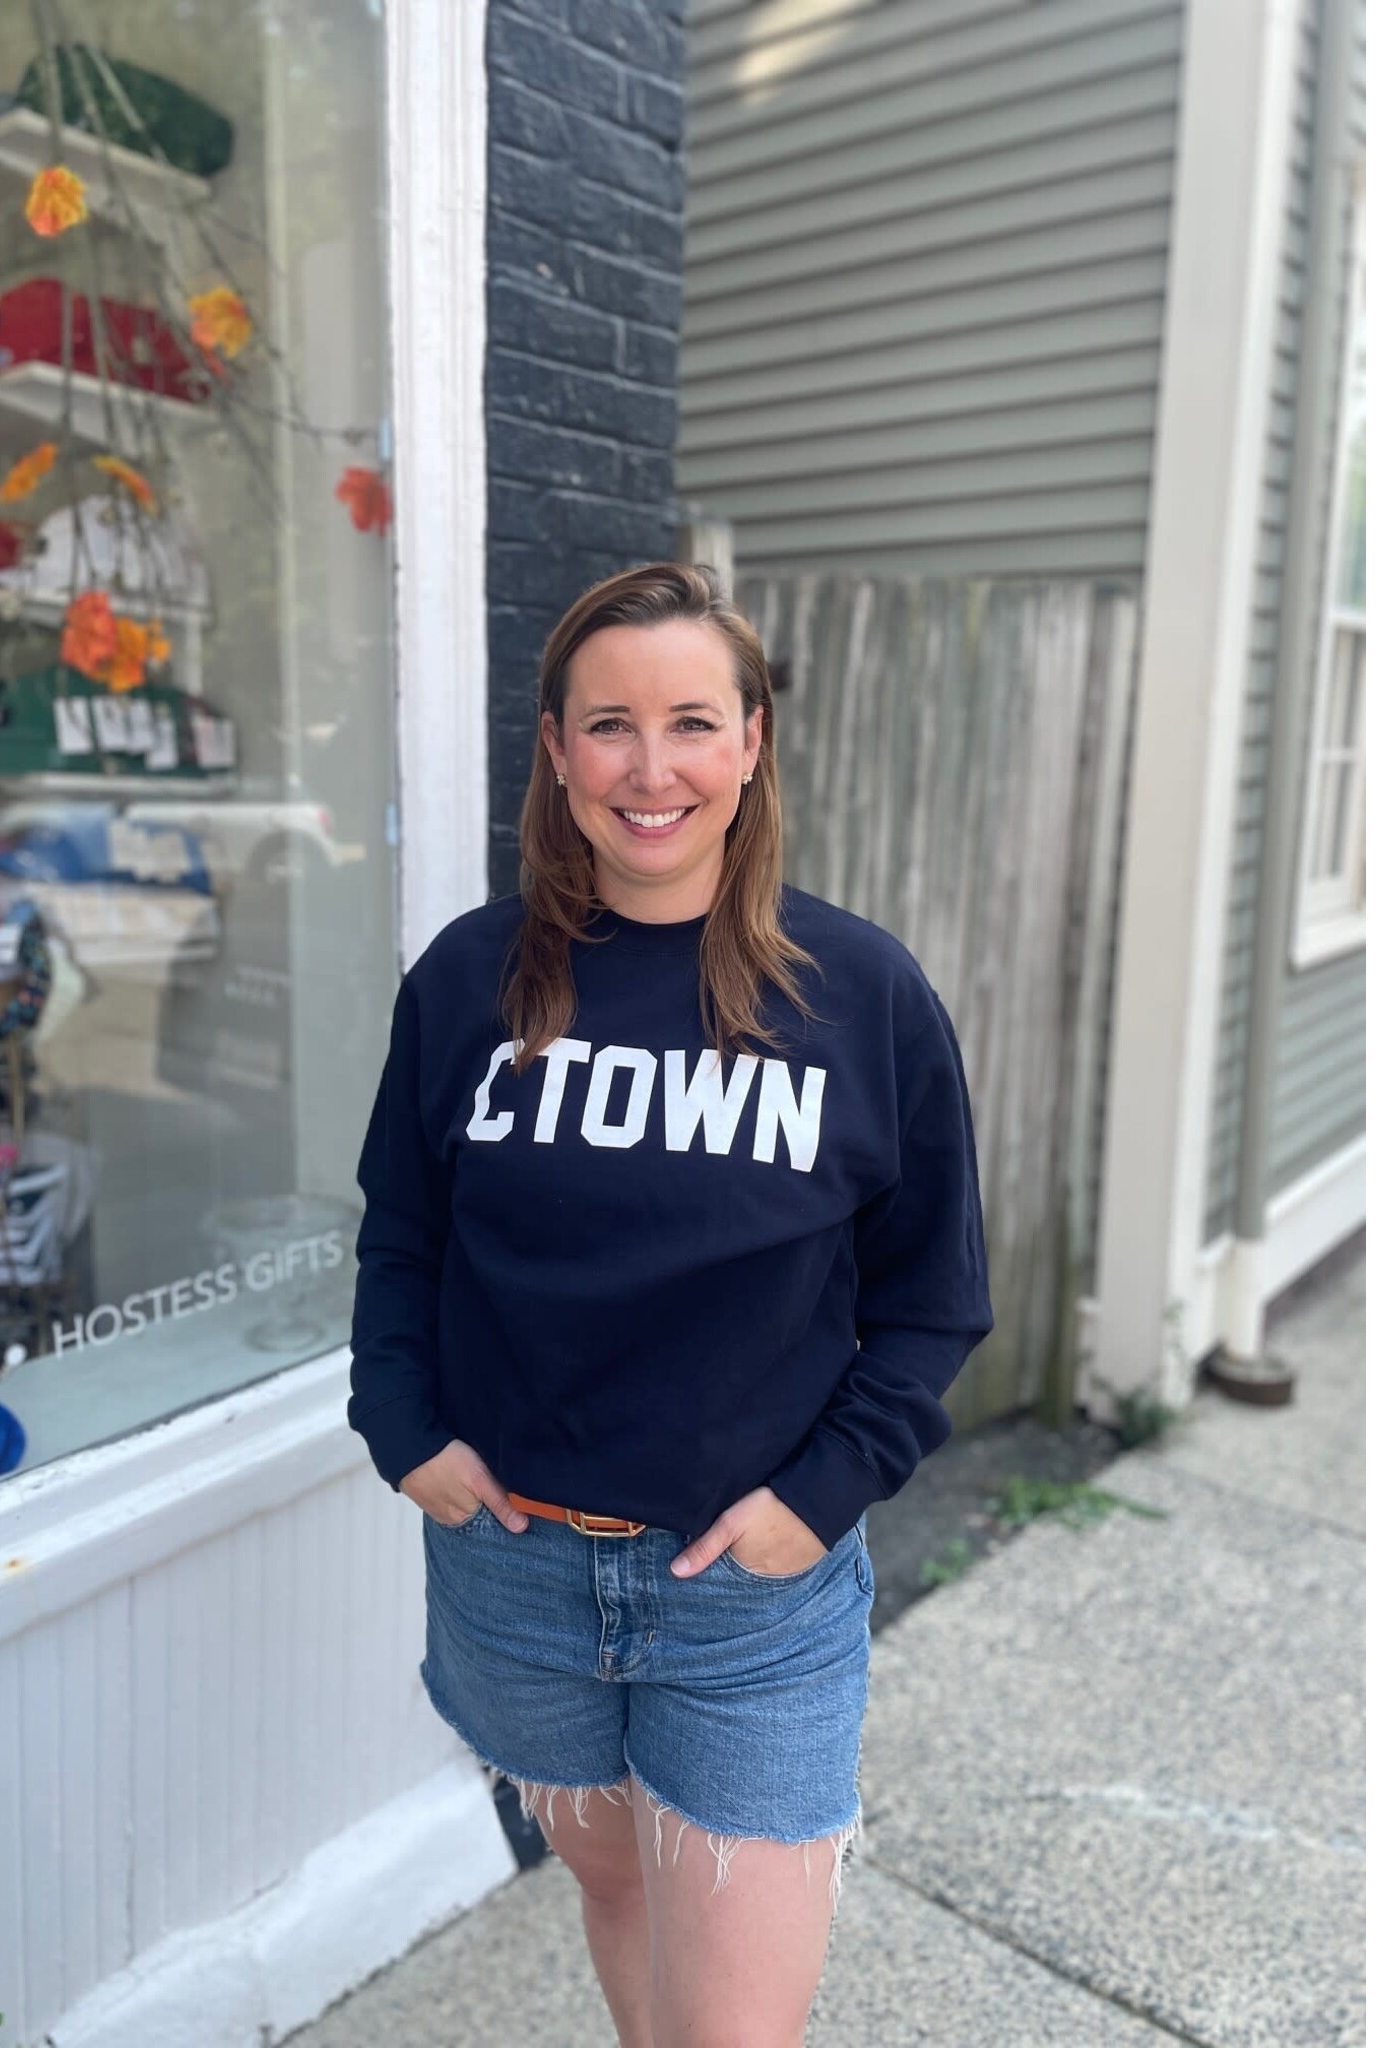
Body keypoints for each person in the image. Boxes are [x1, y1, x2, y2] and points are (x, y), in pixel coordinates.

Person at [348, 562, 994, 2047]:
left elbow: (932, 1298)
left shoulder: (861, 996)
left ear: (753, 742)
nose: (653, 770)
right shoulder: (470, 982)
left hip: (750, 1594)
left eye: (693, 723)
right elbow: (404, 1237)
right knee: (619, 1889)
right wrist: (400, 1427)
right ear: (559, 750)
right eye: (611, 726)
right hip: (514, 1573)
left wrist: (818, 1498)